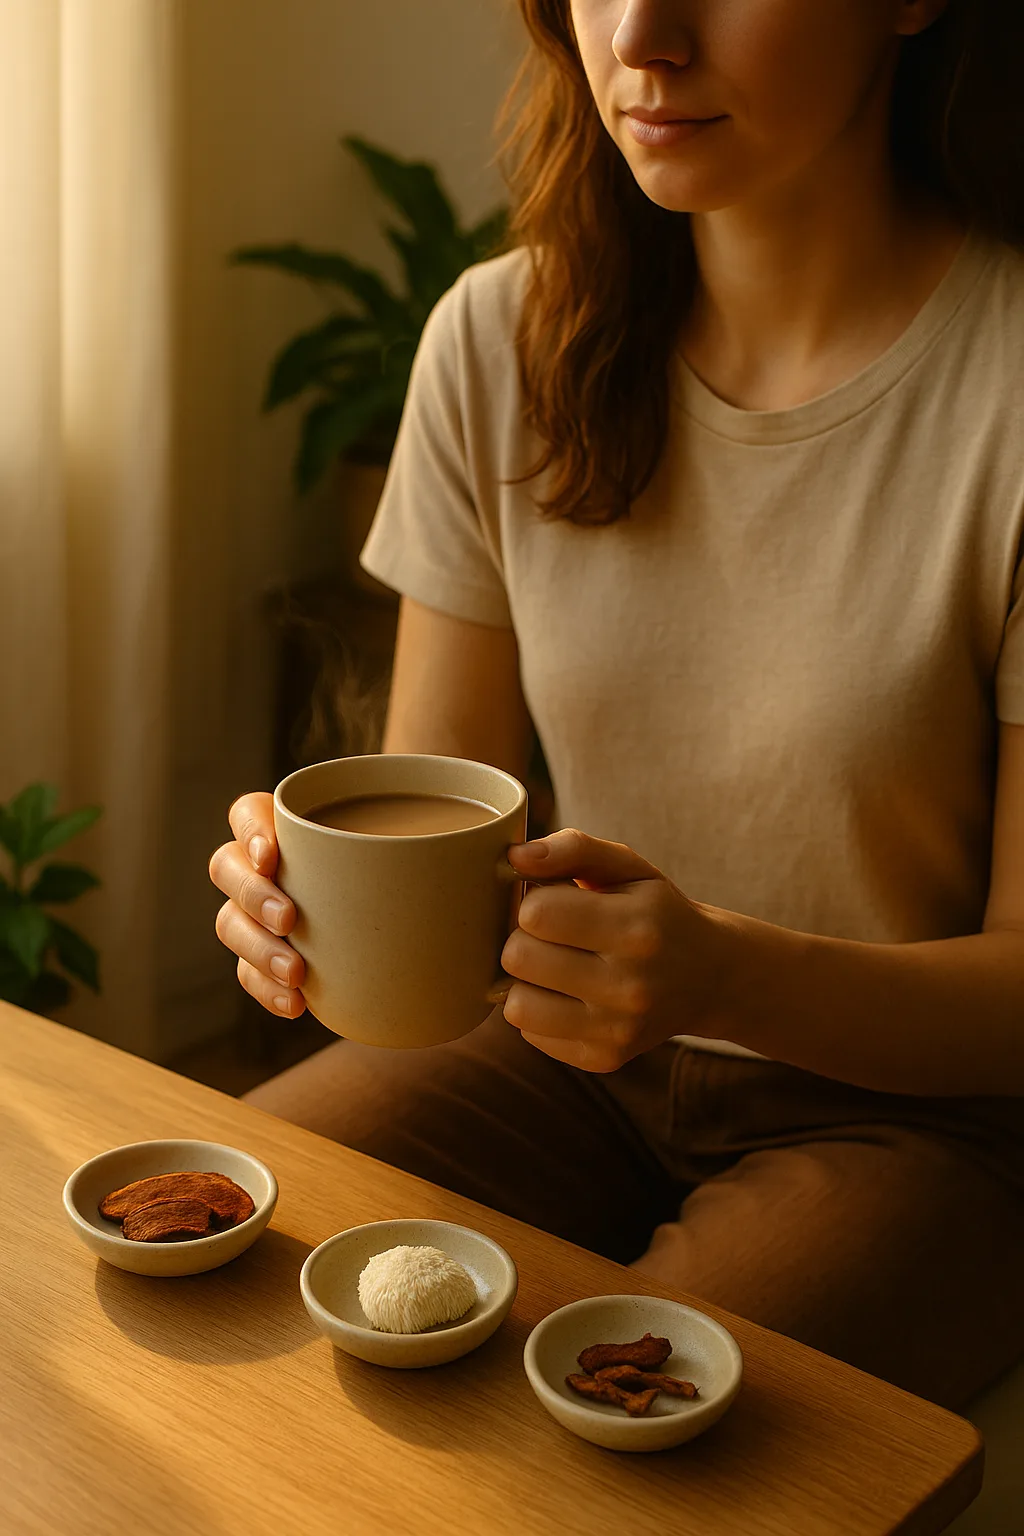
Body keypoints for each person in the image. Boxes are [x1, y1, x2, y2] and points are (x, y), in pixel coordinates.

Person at [209, 0, 1024, 1409]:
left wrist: (723, 977)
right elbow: (439, 822)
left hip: (922, 1124)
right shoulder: (499, 339)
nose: (641, 33)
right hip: (556, 1063)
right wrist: (302, 903)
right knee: (230, 1257)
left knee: (619, 1421)